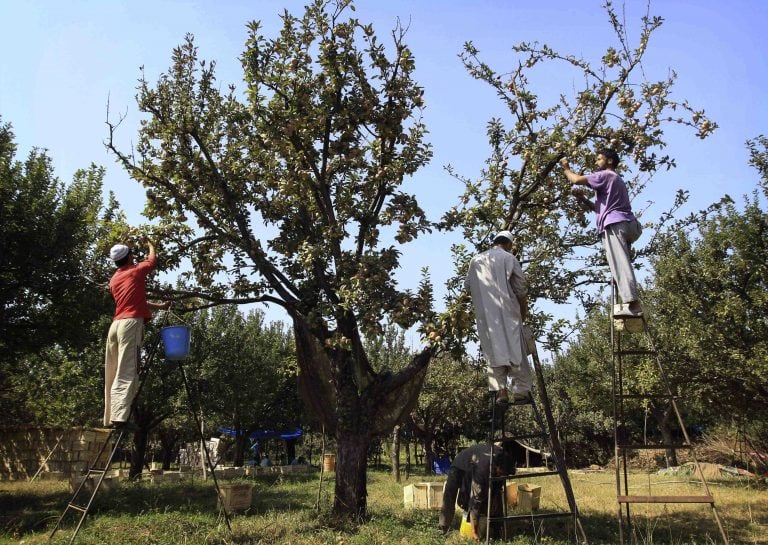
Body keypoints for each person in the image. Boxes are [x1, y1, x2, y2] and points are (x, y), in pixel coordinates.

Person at [560, 149, 643, 317]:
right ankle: (622, 285)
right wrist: (583, 199)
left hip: (615, 224)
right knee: (619, 261)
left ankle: (633, 305)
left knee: (620, 262)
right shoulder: (617, 180)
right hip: (630, 225)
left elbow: (575, 179)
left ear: (610, 161)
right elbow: (601, 209)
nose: (597, 162)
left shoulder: (605, 175)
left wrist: (565, 167)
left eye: (599, 159)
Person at [104, 240, 170, 428]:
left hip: (115, 326)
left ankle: (111, 416)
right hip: (129, 326)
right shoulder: (135, 271)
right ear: (129, 256)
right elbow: (151, 261)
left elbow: (135, 301)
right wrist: (151, 244)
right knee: (127, 369)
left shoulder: (114, 279)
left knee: (113, 370)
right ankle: (120, 418)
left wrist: (160, 307)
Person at [465, 230, 532, 409]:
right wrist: (523, 310)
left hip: (486, 316)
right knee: (515, 348)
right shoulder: (509, 258)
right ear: (509, 244)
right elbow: (521, 288)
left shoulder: (475, 260)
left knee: (493, 350)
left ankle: (501, 391)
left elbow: (468, 285)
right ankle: (520, 390)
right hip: (508, 311)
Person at [438, 443, 515, 539]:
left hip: (479, 462)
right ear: (496, 467)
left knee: (495, 492)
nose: (503, 476)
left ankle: (497, 527)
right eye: (501, 473)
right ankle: (443, 528)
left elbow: (496, 492)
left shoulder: (506, 460)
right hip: (461, 465)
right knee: (450, 494)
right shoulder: (483, 470)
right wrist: (474, 532)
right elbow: (475, 500)